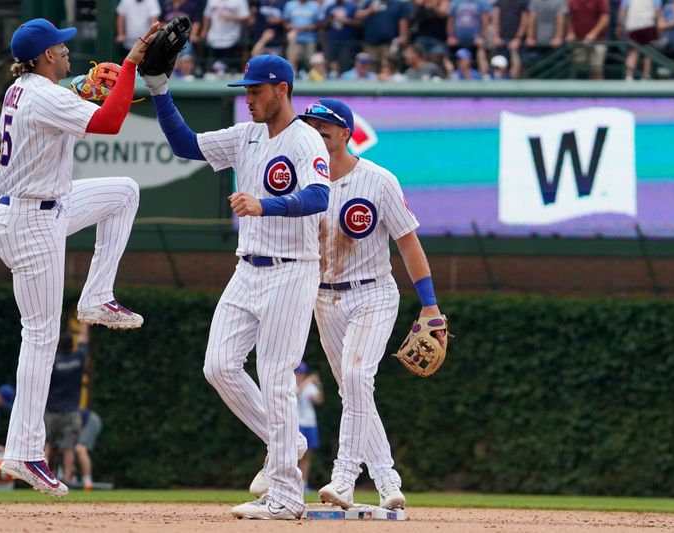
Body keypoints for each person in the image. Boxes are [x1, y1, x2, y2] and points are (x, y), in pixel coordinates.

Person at [142, 54, 330, 520]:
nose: (247, 98)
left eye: (255, 90)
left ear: (281, 90)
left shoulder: (306, 139)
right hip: (247, 267)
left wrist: (263, 204)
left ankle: (287, 496)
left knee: (275, 376)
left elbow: (318, 196)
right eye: (245, 90)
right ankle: (285, 441)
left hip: (293, 267)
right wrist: (160, 89)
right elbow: (185, 145)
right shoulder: (245, 134)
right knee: (219, 366)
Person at [0, 18, 156, 498]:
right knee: (41, 337)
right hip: (30, 220)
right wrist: (128, 66)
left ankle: (97, 296)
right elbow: (110, 121)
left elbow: (66, 95)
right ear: (45, 57)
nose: (67, 52)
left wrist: (84, 85)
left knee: (123, 191)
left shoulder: (25, 87)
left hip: (44, 205)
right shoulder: (41, 95)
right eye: (61, 49)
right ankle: (23, 452)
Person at [298, 98, 447, 511]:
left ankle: (344, 477)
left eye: (323, 129)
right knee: (354, 390)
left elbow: (408, 242)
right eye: (310, 128)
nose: (315, 134)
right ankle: (388, 481)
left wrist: (429, 305)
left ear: (345, 133)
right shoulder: (302, 180)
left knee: (357, 376)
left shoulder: (379, 180)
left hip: (373, 292)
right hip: (323, 297)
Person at [44, 325, 88, 485]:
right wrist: (84, 322)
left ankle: (44, 477)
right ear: (72, 344)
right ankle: (68, 478)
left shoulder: (54, 363)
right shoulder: (78, 359)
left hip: (53, 411)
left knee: (48, 444)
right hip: (71, 412)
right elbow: (84, 340)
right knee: (68, 447)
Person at [355, 0, 412, 65]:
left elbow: (403, 20)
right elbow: (357, 15)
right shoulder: (370, 2)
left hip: (389, 45)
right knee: (371, 68)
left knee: (388, 66)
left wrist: (403, 36)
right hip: (370, 44)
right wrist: (370, 10)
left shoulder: (398, 4)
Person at [294, 362, 323, 492]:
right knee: (294, 454)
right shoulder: (292, 385)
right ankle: (293, 482)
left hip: (310, 423)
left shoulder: (310, 385)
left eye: (302, 373)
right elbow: (297, 393)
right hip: (297, 423)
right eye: (298, 373)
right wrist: (308, 380)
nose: (300, 375)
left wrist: (318, 384)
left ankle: (304, 483)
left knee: (307, 456)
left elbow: (319, 400)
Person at [201, 0, 251, 70]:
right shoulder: (211, 1)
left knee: (231, 70)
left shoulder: (240, 1)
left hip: (232, 39)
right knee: (211, 70)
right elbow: (206, 16)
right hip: (213, 39)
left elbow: (247, 19)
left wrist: (231, 17)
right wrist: (204, 30)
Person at [566, 0, 610, 79]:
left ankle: (599, 91)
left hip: (597, 42)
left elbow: (605, 17)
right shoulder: (571, 1)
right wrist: (570, 32)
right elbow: (569, 16)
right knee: (578, 72)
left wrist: (593, 33)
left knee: (596, 71)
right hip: (578, 43)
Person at [618, 0, 661, 80]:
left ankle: (629, 76)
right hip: (647, 24)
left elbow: (622, 10)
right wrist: (658, 28)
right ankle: (646, 76)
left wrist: (620, 25)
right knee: (647, 53)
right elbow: (657, 11)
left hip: (634, 25)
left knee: (633, 52)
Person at [283, 0, 322, 70]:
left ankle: (311, 75)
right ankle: (294, 76)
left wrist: (309, 27)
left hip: (310, 38)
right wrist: (291, 27)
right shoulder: (290, 4)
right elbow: (285, 21)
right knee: (293, 59)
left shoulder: (314, 5)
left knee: (310, 60)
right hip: (294, 38)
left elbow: (319, 23)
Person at [75, 408, 103, 490]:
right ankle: (72, 477)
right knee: (68, 449)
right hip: (83, 423)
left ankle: (87, 481)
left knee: (80, 449)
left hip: (90, 421)